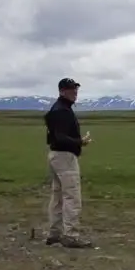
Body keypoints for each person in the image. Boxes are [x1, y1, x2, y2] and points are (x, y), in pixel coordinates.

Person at [44, 77, 93, 248]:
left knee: (58, 196)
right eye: (71, 90)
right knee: (71, 196)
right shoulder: (62, 111)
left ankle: (54, 233)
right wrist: (80, 142)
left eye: (76, 90)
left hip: (56, 155)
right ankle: (70, 235)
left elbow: (55, 136)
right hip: (65, 157)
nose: (75, 93)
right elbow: (61, 137)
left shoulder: (57, 109)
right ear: (62, 91)